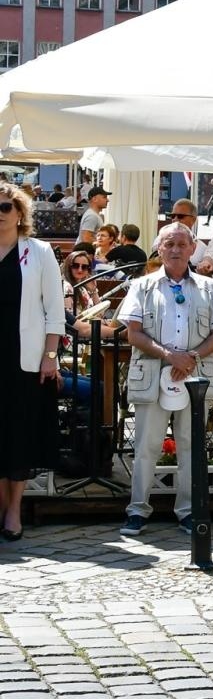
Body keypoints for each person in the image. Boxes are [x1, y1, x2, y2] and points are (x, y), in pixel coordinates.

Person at [116, 224, 213, 537]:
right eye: (170, 243)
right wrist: (170, 356)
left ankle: (188, 511)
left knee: (191, 445)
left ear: (194, 249)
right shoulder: (142, 286)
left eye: (183, 243)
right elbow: (133, 332)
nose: (177, 249)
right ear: (159, 248)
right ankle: (138, 509)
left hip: (193, 374)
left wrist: (190, 356)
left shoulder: (208, 287)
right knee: (146, 445)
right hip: (154, 373)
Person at [0, 184, 64, 541]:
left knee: (19, 433)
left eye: (6, 207)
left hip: (24, 357)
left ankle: (14, 511)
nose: (0, 212)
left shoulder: (38, 252)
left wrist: (50, 356)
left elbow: (54, 309)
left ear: (20, 212)